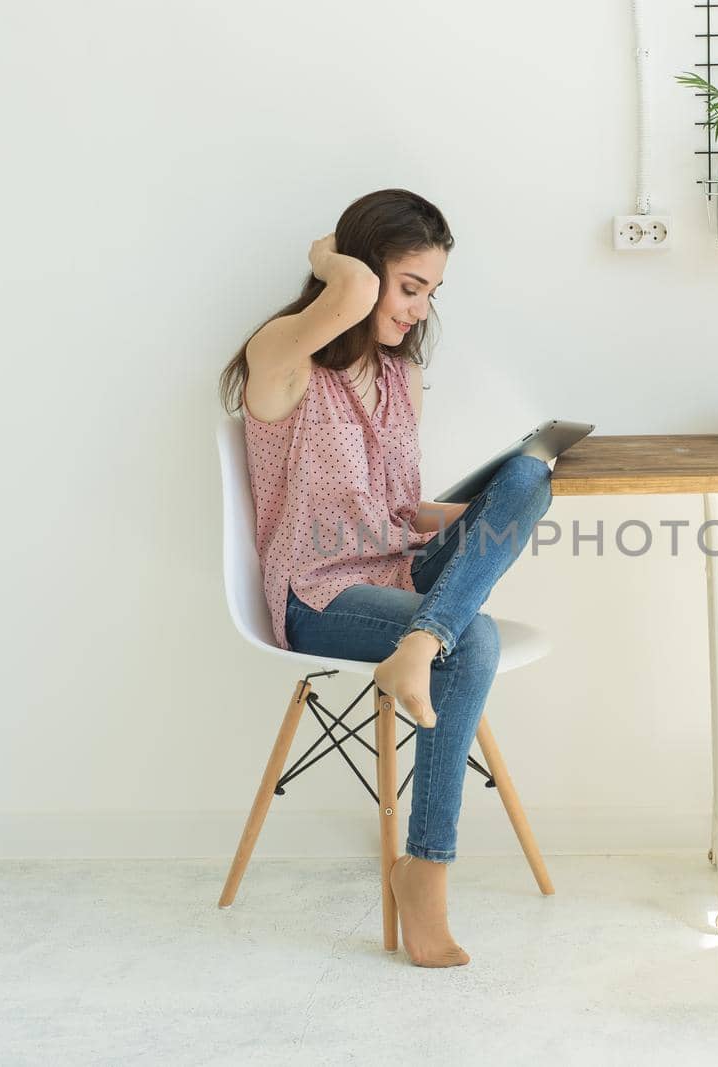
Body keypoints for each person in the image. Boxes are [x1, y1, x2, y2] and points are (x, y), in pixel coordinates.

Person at [218, 189, 553, 967]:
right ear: (360, 272)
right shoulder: (281, 359)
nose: (417, 309)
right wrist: (328, 259)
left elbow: (401, 513)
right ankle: (426, 871)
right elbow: (354, 294)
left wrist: (490, 515)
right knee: (474, 638)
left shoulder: (403, 378)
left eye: (431, 292)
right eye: (408, 286)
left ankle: (422, 638)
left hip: (400, 566)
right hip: (320, 593)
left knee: (530, 478)